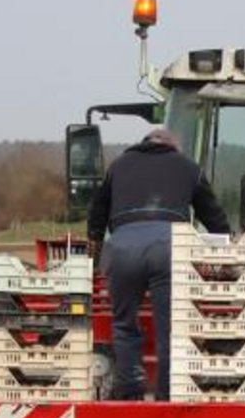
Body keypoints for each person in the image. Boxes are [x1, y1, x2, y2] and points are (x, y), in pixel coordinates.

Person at [88, 129, 230, 401]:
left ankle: (129, 393)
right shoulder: (188, 167)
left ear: (144, 144)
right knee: (172, 329)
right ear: (172, 148)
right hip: (169, 248)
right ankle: (167, 396)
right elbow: (214, 216)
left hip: (122, 248)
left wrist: (93, 260)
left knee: (124, 325)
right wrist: (228, 254)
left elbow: (97, 213)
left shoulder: (118, 165)